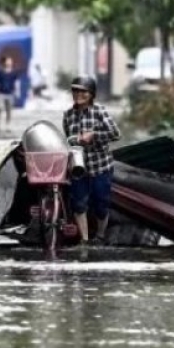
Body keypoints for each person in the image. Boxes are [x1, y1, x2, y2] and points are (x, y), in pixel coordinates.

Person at [62, 75, 121, 245]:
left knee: (101, 205)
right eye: (75, 90)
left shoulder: (99, 111)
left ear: (92, 94)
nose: (78, 94)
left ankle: (101, 236)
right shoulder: (67, 115)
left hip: (101, 166)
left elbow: (116, 134)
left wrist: (94, 135)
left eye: (83, 91)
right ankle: (85, 241)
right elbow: (67, 139)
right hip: (78, 168)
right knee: (78, 204)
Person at [0, 56, 20, 130]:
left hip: (10, 93)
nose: (9, 62)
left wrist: (17, 92)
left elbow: (17, 83)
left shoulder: (14, 73)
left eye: (10, 61)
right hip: (1, 93)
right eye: (8, 61)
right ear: (4, 62)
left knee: (9, 110)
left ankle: (8, 124)